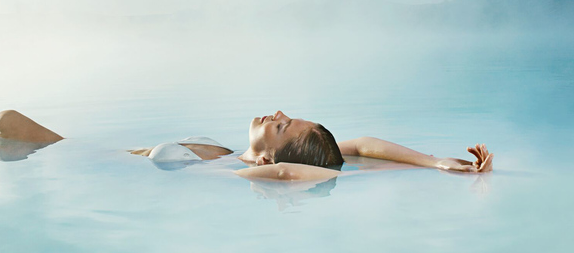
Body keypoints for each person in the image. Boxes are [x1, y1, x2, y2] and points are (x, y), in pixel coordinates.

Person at [133, 110, 494, 181]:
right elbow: (361, 146)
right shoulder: (225, 152)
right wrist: (432, 162)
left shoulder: (233, 172)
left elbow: (293, 171)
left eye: (281, 125)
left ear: (268, 157)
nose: (276, 113)